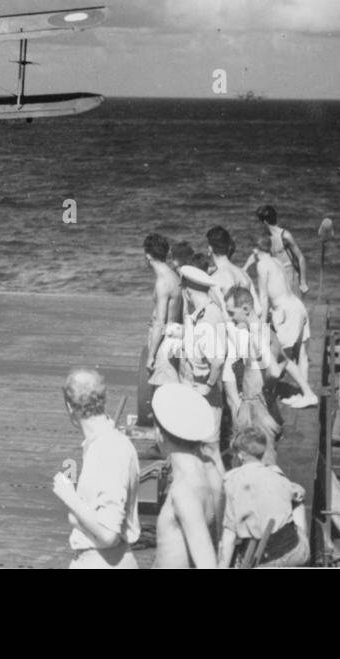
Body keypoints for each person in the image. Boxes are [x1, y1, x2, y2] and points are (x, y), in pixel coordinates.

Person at [52, 367, 141, 568]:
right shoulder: (103, 443)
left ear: (69, 407)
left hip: (104, 560)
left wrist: (70, 498)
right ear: (103, 399)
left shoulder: (108, 449)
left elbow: (108, 535)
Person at [152, 384, 223, 568]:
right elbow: (219, 539)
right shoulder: (211, 470)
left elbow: (207, 565)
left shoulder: (184, 491)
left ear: (159, 434)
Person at [217, 427, 308, 567]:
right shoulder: (277, 475)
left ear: (241, 455)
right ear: (263, 451)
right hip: (293, 552)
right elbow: (300, 493)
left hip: (261, 560)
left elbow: (229, 534)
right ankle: (304, 546)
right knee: (297, 505)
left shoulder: (231, 481)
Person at [248, 235, 318, 408]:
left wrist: (263, 325)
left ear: (255, 250)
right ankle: (303, 394)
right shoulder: (277, 261)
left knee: (282, 356)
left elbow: (264, 298)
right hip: (297, 305)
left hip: (286, 311)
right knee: (301, 352)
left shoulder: (261, 265)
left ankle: (308, 393)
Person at [173, 263, 230, 470]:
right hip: (199, 390)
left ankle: (218, 492)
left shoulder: (206, 320)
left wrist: (208, 385)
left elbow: (217, 360)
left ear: (187, 291)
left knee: (209, 449)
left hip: (203, 391)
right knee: (202, 447)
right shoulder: (208, 312)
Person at [223, 287, 281, 461]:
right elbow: (284, 360)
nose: (231, 319)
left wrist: (262, 392)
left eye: (232, 313)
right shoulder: (266, 331)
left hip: (257, 408)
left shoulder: (257, 334)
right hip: (255, 402)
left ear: (246, 309)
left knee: (263, 460)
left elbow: (275, 371)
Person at [143, 234, 183, 389]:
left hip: (163, 342)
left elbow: (160, 323)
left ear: (147, 255)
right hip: (173, 338)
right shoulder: (174, 276)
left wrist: (151, 356)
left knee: (162, 395)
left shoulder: (162, 282)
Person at [206, 226, 260, 315]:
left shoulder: (215, 278)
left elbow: (222, 315)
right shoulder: (243, 273)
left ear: (210, 249)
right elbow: (258, 310)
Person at [255, 205, 307, 295]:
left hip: (290, 276)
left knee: (293, 307)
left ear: (265, 222)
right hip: (276, 277)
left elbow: (301, 257)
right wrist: (245, 267)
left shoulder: (285, 235)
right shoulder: (267, 238)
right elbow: (256, 254)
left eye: (260, 222)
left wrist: (303, 282)